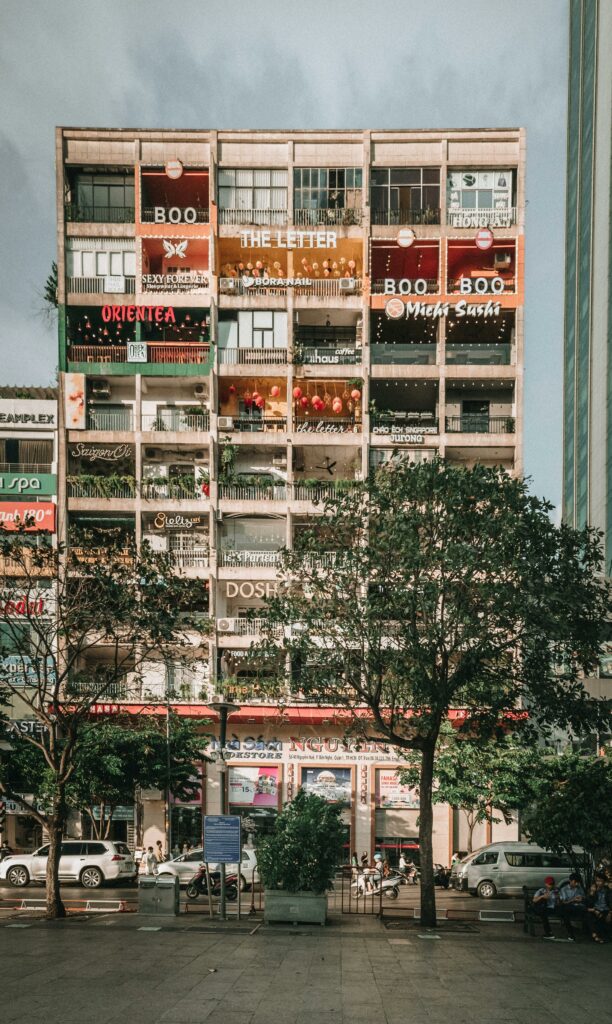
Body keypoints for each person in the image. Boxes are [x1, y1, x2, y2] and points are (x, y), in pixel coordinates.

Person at [558, 873, 587, 940]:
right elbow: (564, 902)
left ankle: (588, 932)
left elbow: (584, 898)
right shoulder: (564, 889)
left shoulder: (579, 888)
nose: (577, 884)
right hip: (568, 908)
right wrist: (573, 899)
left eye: (578, 882)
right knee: (565, 911)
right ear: (571, 881)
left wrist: (581, 899)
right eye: (575, 882)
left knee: (587, 912)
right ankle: (571, 934)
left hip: (578, 908)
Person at [586, 874, 612, 943]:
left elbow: (611, 903)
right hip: (595, 910)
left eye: (600, 881)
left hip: (605, 910)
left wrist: (610, 913)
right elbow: (588, 904)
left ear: (604, 882)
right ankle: (595, 936)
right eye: (597, 881)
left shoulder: (608, 891)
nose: (598, 883)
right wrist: (592, 893)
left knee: (604, 917)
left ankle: (602, 936)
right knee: (589, 915)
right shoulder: (592, 890)